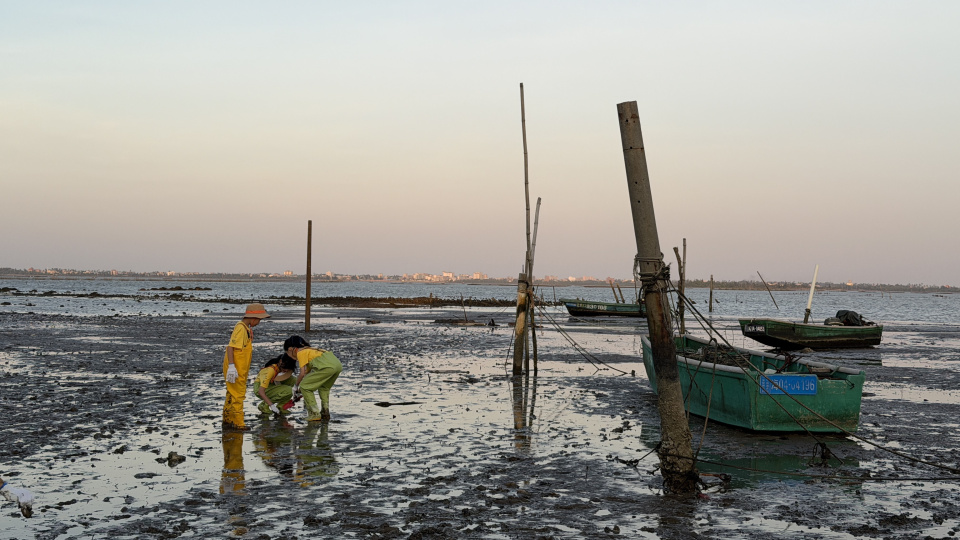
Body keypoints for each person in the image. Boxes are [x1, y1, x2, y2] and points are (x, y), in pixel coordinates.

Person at [222, 303, 271, 431]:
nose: (259, 323)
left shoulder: (245, 329)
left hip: (240, 368)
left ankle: (228, 419)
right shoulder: (241, 328)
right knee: (238, 395)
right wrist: (231, 366)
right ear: (253, 318)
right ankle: (238, 423)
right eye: (259, 320)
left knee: (231, 393)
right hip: (236, 369)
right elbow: (231, 347)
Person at [284, 335, 342, 422]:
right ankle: (325, 412)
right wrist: (299, 390)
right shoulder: (311, 350)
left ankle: (314, 414)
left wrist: (296, 386)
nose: (289, 356)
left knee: (305, 387)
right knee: (324, 388)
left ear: (290, 349)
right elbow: (306, 372)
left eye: (287, 353)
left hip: (327, 367)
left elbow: (302, 373)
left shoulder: (300, 352)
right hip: (337, 365)